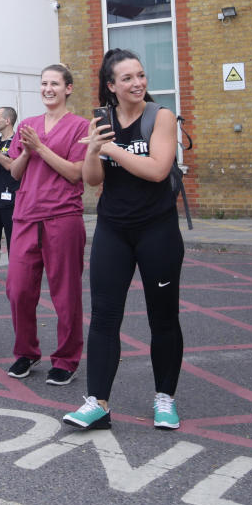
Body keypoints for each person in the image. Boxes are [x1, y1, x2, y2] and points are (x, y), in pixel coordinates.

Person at [64, 49, 185, 431]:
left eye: (141, 75)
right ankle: (96, 402)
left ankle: (165, 399)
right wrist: (94, 149)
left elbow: (157, 169)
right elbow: (94, 179)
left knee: (162, 318)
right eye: (128, 78)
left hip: (157, 230)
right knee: (103, 317)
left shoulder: (160, 116)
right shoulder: (100, 120)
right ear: (111, 86)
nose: (138, 83)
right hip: (113, 229)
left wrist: (112, 147)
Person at [4, 65, 89, 386]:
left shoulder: (80, 126)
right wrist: (27, 151)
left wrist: (40, 147)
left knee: (65, 293)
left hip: (63, 217)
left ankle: (66, 359)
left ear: (68, 88)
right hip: (26, 216)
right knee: (17, 289)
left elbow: (75, 173)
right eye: (43, 83)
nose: (47, 89)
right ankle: (26, 352)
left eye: (54, 83)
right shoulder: (27, 125)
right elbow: (15, 172)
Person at [0, 106, 20, 282]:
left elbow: (10, 165)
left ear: (7, 121)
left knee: (12, 240)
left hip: (11, 201)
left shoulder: (17, 141)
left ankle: (16, 275)